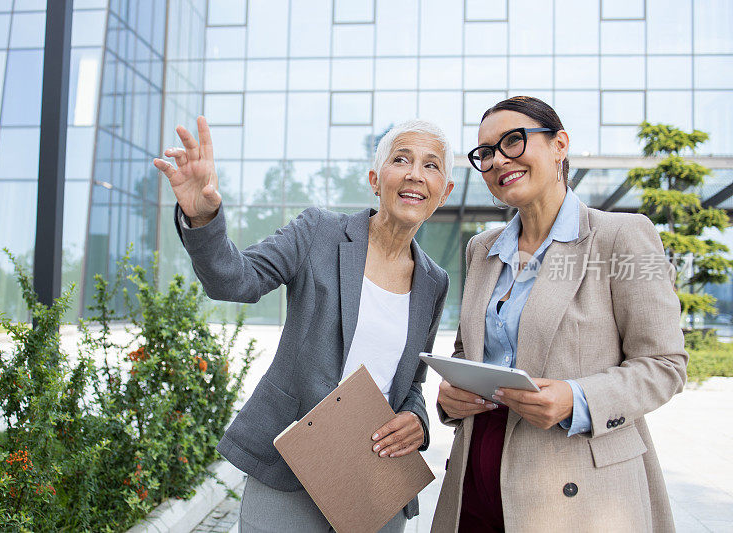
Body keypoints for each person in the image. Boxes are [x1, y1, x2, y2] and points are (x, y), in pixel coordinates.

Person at [153, 117, 454, 532]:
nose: (415, 174)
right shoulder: (319, 232)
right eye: (401, 159)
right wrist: (203, 220)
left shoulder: (434, 281)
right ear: (374, 178)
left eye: (431, 165)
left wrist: (418, 422)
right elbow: (237, 280)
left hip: (375, 474)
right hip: (292, 463)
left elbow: (411, 383)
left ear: (445, 191)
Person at [431, 96, 688, 532]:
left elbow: (665, 365)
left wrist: (578, 399)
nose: (498, 160)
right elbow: (468, 353)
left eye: (514, 141)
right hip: (477, 474)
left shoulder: (619, 237)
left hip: (578, 489)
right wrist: (450, 397)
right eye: (486, 152)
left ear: (559, 145)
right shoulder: (483, 249)